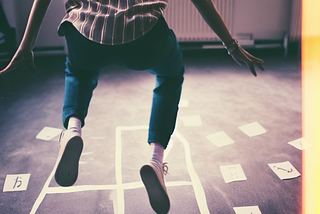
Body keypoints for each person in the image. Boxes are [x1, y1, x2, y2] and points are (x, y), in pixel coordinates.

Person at [0, 0, 264, 213]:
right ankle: (155, 161)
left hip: (84, 31)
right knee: (170, 76)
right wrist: (231, 44)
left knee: (79, 72)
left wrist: (26, 44)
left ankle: (72, 129)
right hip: (144, 34)